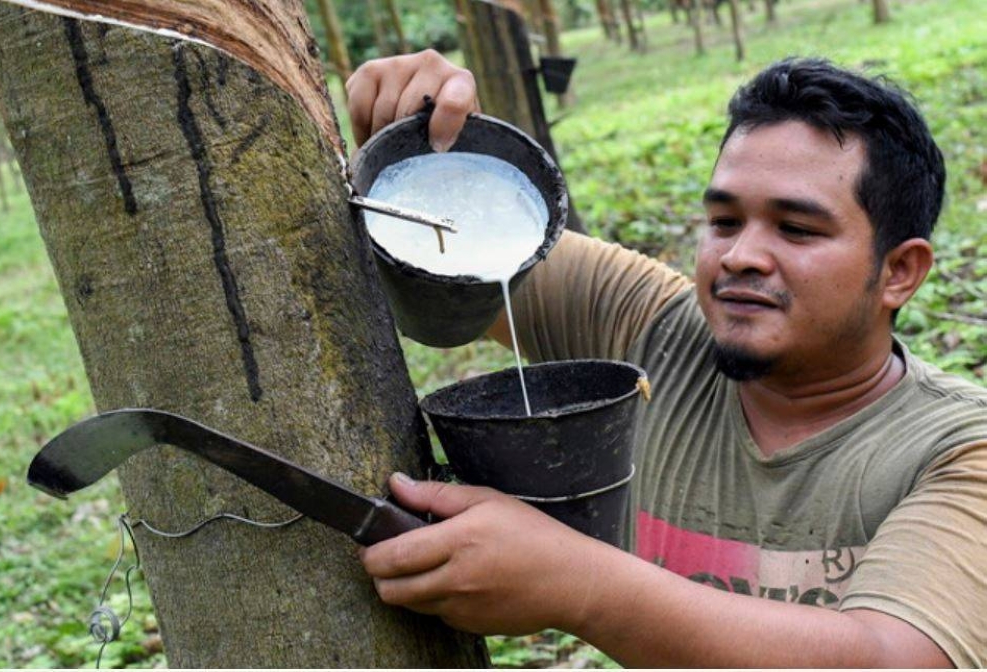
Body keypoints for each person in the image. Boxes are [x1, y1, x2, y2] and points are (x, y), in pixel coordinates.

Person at [346, 50, 987, 667]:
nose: (741, 256)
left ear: (900, 271)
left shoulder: (960, 449)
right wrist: (432, 152)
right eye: (724, 221)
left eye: (796, 229)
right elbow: (453, 278)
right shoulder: (648, 324)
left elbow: (898, 658)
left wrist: (578, 583)